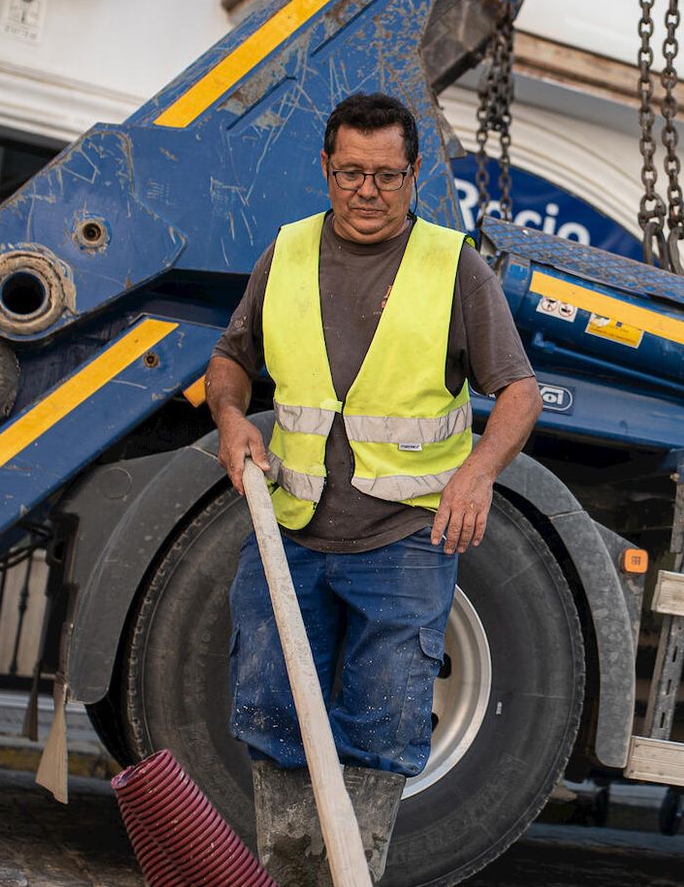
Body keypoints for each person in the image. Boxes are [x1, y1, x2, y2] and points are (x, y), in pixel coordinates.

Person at [204, 91, 541, 885]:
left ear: (414, 175)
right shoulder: (286, 252)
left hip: (405, 541)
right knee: (269, 705)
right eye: (352, 172)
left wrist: (477, 472)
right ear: (326, 168)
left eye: (386, 176)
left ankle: (356, 872)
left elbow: (518, 391)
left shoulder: (452, 265)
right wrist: (228, 417)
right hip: (290, 526)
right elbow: (230, 357)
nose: (368, 191)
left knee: (385, 720)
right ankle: (287, 874)